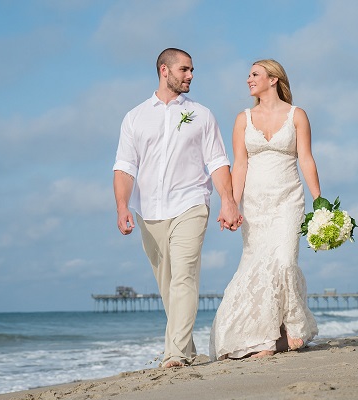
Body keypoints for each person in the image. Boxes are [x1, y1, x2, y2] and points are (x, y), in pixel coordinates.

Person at [113, 48, 242, 368]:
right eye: (185, 69)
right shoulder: (135, 117)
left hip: (191, 203)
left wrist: (228, 201)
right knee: (168, 285)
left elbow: (218, 162)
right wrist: (122, 206)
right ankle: (187, 350)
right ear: (164, 70)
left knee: (184, 277)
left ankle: (173, 354)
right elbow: (125, 167)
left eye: (192, 70)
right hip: (149, 211)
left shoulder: (202, 115)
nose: (191, 75)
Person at [209, 59, 321, 360]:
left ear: (274, 79)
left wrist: (319, 200)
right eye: (248, 75)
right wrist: (230, 204)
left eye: (255, 74)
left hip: (288, 199)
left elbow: (306, 159)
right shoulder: (243, 118)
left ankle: (294, 327)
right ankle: (265, 340)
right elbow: (241, 164)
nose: (248, 80)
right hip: (255, 204)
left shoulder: (297, 115)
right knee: (256, 267)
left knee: (284, 261)